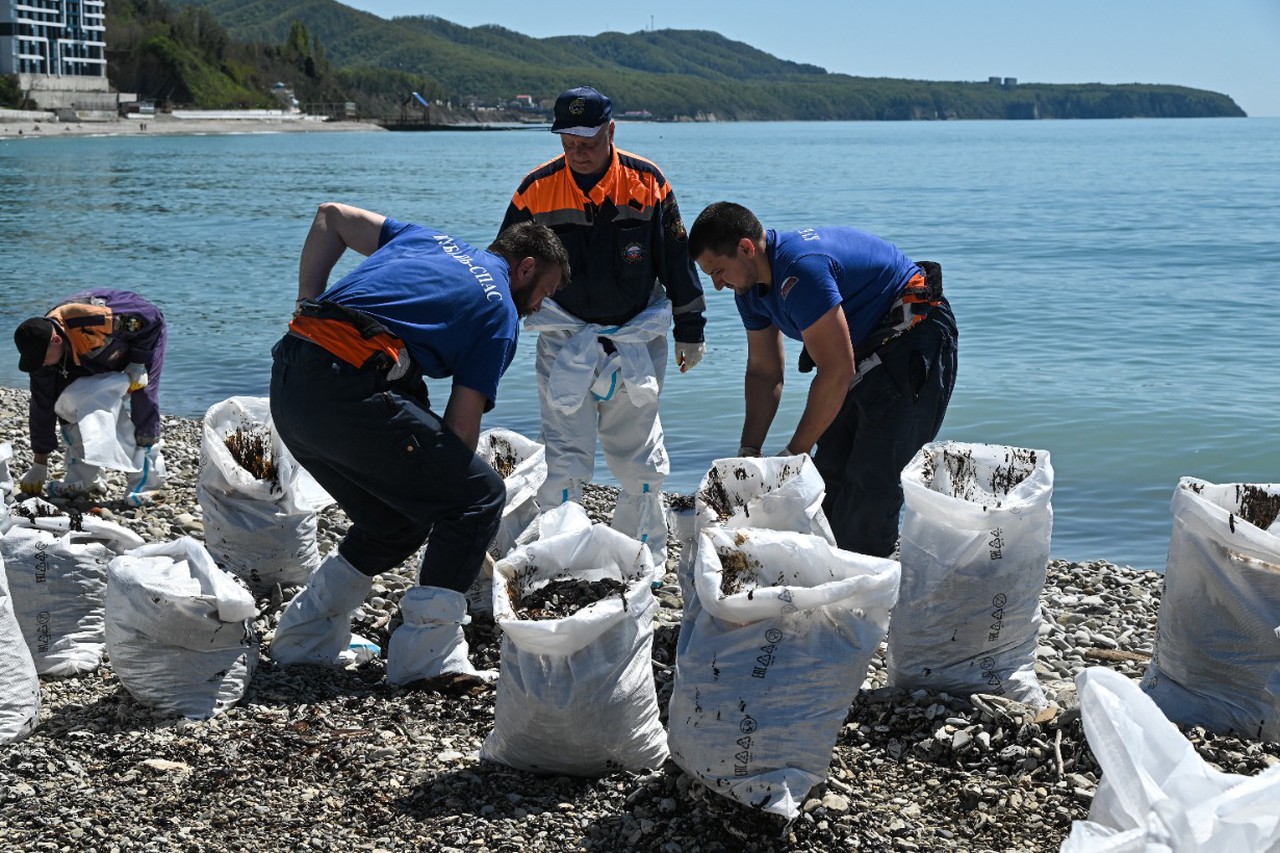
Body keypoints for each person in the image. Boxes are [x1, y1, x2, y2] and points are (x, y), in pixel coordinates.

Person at [269, 201, 569, 685]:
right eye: (544, 292)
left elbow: (332, 216)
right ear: (526, 268)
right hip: (348, 388)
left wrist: (308, 298)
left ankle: (303, 638)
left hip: (289, 384)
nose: (538, 308)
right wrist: (460, 505)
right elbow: (461, 424)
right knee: (481, 495)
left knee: (395, 521)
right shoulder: (500, 311)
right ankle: (428, 657)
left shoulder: (429, 239)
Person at [499, 85, 707, 570]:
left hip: (636, 337)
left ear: (612, 131)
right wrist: (499, 326)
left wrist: (690, 327)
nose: (578, 152)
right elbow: (507, 266)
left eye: (589, 141)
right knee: (565, 457)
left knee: (640, 459)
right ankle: (561, 558)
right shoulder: (535, 189)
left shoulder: (648, 183)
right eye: (568, 142)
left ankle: (643, 560)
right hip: (563, 337)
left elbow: (677, 259)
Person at [688, 201, 958, 558]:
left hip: (914, 337)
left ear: (746, 248)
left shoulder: (802, 272)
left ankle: (864, 592)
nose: (717, 285)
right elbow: (764, 371)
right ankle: (828, 577)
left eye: (719, 271)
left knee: (871, 481)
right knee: (829, 474)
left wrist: (792, 453)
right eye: (710, 275)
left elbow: (836, 370)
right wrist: (749, 451)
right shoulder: (750, 290)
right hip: (861, 348)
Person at [13, 289, 168, 504]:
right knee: (68, 401)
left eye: (42, 358)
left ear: (56, 340)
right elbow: (42, 407)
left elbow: (151, 318)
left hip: (137, 341)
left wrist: (139, 361)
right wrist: (40, 462)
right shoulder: (42, 360)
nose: (41, 364)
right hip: (90, 355)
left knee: (143, 398)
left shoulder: (90, 318)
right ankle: (85, 478)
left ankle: (146, 483)